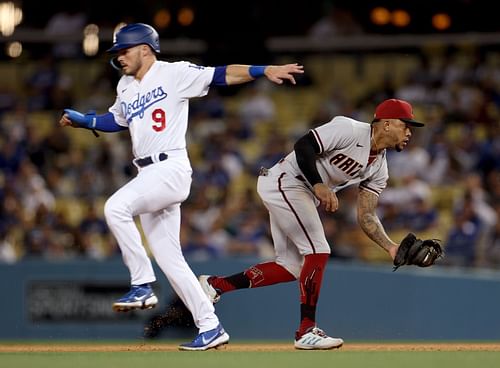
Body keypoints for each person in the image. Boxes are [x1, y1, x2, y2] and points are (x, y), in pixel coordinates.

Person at [58, 23, 303, 351]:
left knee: (115, 207)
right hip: (147, 173)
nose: (120, 57)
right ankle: (210, 326)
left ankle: (142, 284)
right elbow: (116, 121)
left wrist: (263, 70)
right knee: (170, 258)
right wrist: (86, 121)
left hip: (169, 167)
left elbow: (221, 74)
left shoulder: (173, 72)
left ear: (145, 48)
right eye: (117, 53)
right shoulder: (125, 86)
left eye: (125, 50)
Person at [199, 98, 426, 350]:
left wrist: (390, 247)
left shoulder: (379, 167)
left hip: (298, 191)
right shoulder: (349, 129)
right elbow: (304, 145)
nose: (409, 132)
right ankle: (306, 331)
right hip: (286, 181)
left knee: (290, 267)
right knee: (319, 250)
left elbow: (367, 215)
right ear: (386, 124)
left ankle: (215, 285)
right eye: (406, 125)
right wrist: (318, 184)